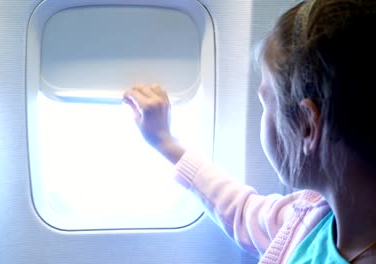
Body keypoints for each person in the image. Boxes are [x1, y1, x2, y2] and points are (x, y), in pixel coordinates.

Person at [123, 0, 376, 263]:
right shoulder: (312, 216)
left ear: (307, 126)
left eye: (265, 103)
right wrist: (166, 143)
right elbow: (243, 212)